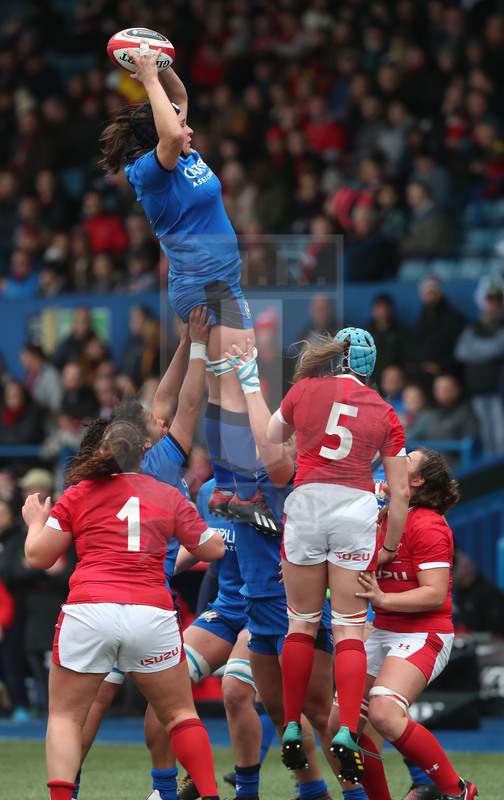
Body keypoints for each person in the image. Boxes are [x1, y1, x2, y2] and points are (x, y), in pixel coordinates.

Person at [100, 45, 276, 533]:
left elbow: (178, 98)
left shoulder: (181, 154)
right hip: (202, 285)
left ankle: (230, 484)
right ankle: (232, 487)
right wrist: (144, 78)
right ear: (155, 138)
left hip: (220, 281)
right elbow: (173, 129)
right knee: (235, 385)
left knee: (234, 384)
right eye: (178, 128)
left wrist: (159, 63)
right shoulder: (149, 173)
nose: (188, 128)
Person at [22, 417, 225, 800]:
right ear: (144, 451)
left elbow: (37, 557)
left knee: (65, 717)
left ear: (101, 451)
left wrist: (35, 522)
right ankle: (210, 796)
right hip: (152, 612)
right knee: (180, 715)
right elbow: (211, 550)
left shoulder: (80, 492)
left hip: (89, 611)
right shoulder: (167, 494)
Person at [266, 327, 409, 784]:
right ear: (369, 364)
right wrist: (388, 547)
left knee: (301, 623)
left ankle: (291, 722)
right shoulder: (385, 411)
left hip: (306, 505)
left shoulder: (305, 388)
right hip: (355, 511)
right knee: (348, 627)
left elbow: (272, 437)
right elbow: (401, 491)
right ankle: (347, 728)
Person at [336, 447, 478, 800]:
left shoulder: (428, 524)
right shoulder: (379, 515)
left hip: (424, 633)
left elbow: (433, 595)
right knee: (340, 724)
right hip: (383, 630)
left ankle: (457, 791)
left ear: (415, 481)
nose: (394, 462)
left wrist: (383, 600)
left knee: (384, 713)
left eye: (406, 461)